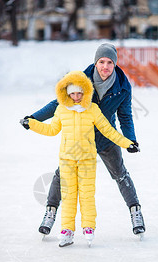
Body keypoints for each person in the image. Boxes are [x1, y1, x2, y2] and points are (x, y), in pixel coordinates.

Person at [21, 43, 145, 238]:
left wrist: (130, 139)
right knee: (61, 175)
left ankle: (135, 211)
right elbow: (58, 103)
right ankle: (50, 212)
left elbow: (125, 116)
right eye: (101, 61)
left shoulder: (123, 87)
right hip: (81, 139)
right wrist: (35, 118)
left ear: (115, 64)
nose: (105, 66)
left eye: (110, 62)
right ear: (96, 63)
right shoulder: (82, 79)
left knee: (120, 174)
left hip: (105, 136)